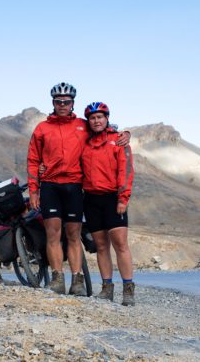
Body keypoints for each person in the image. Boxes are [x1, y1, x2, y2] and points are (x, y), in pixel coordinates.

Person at [27, 82, 129, 296]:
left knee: (73, 234)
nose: (62, 105)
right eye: (58, 101)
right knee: (53, 233)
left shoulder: (83, 125)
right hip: (51, 187)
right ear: (53, 103)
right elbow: (33, 160)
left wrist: (125, 134)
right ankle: (57, 278)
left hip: (74, 186)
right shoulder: (42, 129)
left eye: (67, 101)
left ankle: (77, 280)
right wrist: (34, 189)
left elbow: (105, 132)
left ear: (73, 103)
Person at [81, 102, 135, 306]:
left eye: (100, 117)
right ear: (89, 121)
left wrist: (123, 198)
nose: (96, 121)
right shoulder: (84, 143)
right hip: (91, 199)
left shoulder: (118, 141)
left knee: (120, 244)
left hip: (113, 197)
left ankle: (128, 289)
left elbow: (126, 171)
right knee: (101, 246)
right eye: (92, 118)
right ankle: (106, 288)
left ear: (106, 119)